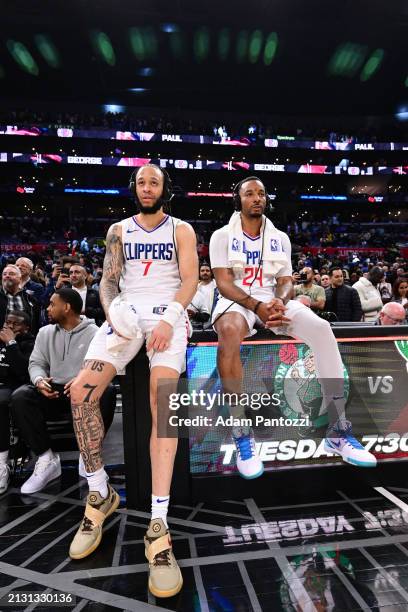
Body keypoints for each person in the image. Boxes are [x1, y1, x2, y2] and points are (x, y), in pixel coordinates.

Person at [68, 164, 197, 598]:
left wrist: (171, 318)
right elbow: (106, 281)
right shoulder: (118, 230)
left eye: (154, 182)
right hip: (125, 313)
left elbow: (192, 279)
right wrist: (110, 311)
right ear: (133, 188)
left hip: (167, 314)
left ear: (165, 189)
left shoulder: (181, 229)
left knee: (164, 409)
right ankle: (100, 492)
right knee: (80, 395)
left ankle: (158, 527)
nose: (147, 188)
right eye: (141, 182)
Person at [209, 176, 376, 480]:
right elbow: (223, 283)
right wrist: (257, 306)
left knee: (322, 328)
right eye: (250, 194)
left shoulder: (280, 237)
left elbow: (286, 281)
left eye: (261, 193)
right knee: (230, 330)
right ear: (239, 200)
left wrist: (278, 303)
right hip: (238, 301)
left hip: (273, 300)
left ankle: (338, 428)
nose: (257, 198)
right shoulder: (221, 235)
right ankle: (240, 430)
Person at [11, 289, 116, 494]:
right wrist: (40, 380)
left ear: (66, 307)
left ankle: (89, 455)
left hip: (84, 390)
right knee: (21, 396)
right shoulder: (45, 332)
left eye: (52, 304)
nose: (48, 308)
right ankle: (46, 458)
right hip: (53, 390)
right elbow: (36, 363)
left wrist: (82, 379)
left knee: (108, 391)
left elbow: (103, 365)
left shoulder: (96, 333)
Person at [0, 311, 35, 494]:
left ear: (26, 328)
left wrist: (11, 343)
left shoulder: (29, 343)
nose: (10, 327)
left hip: (15, 387)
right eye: (8, 323)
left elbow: (24, 371)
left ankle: (1, 466)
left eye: (16, 324)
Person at [0, 265, 40, 333]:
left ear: (20, 279)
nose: (7, 276)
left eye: (11, 274)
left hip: (25, 341)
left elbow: (35, 323)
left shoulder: (30, 299)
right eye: (4, 274)